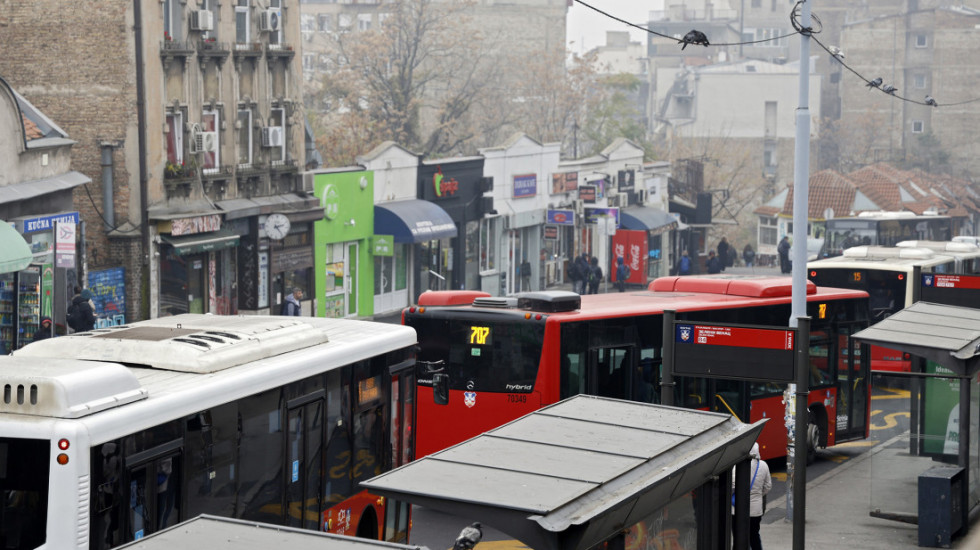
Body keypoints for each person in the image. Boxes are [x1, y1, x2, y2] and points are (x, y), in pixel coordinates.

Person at [731, 442, 772, 550]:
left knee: (738, 537)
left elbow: (733, 486)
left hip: (737, 510)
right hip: (755, 510)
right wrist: (758, 495)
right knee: (754, 536)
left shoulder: (738, 466)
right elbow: (768, 486)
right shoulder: (763, 465)